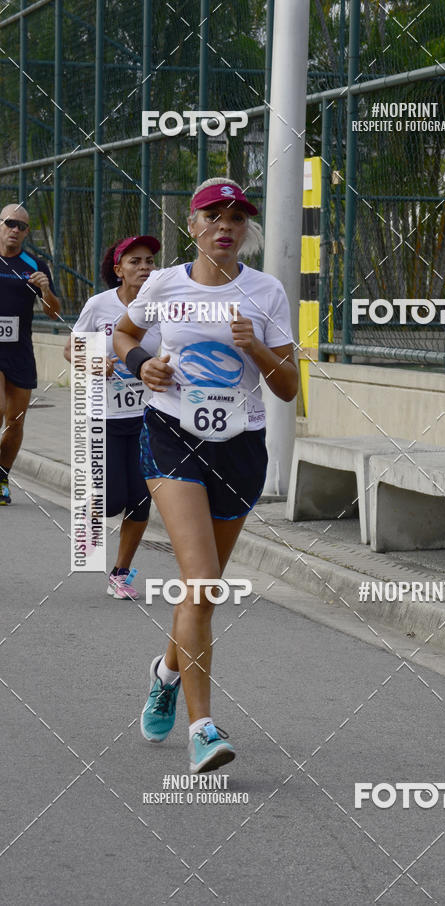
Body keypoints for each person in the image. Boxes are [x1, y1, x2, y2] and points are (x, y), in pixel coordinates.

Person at [113, 178, 297, 773]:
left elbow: (290, 388)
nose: (227, 224)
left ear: (246, 232)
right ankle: (203, 729)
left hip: (240, 448)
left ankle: (166, 674)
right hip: (172, 438)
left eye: (238, 217)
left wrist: (258, 350)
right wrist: (145, 368)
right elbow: (124, 335)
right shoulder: (164, 284)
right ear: (192, 226)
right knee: (198, 580)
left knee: (206, 590)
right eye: (213, 215)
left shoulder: (266, 292)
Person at [65, 236, 161, 599]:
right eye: (135, 261)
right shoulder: (99, 305)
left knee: (140, 500)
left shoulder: (162, 308)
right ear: (119, 270)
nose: (144, 268)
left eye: (150, 261)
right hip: (102, 416)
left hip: (148, 417)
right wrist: (93, 363)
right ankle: (87, 508)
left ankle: (120, 574)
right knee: (111, 500)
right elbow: (70, 349)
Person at [0, 204, 61, 504]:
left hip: (20, 350)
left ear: (26, 232)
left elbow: (54, 314)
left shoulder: (32, 265)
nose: (15, 229)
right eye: (10, 223)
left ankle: (2, 476)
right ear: (0, 225)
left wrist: (46, 291)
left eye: (21, 226)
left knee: (15, 421)